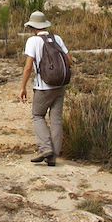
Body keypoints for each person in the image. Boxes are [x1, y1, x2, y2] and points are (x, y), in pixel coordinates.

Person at [18, 10, 71, 167]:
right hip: (60, 85)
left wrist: (23, 87)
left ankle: (45, 148)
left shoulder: (33, 41)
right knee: (56, 119)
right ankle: (53, 156)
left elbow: (28, 67)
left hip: (43, 86)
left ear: (33, 27)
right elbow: (69, 60)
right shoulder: (57, 39)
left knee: (37, 115)